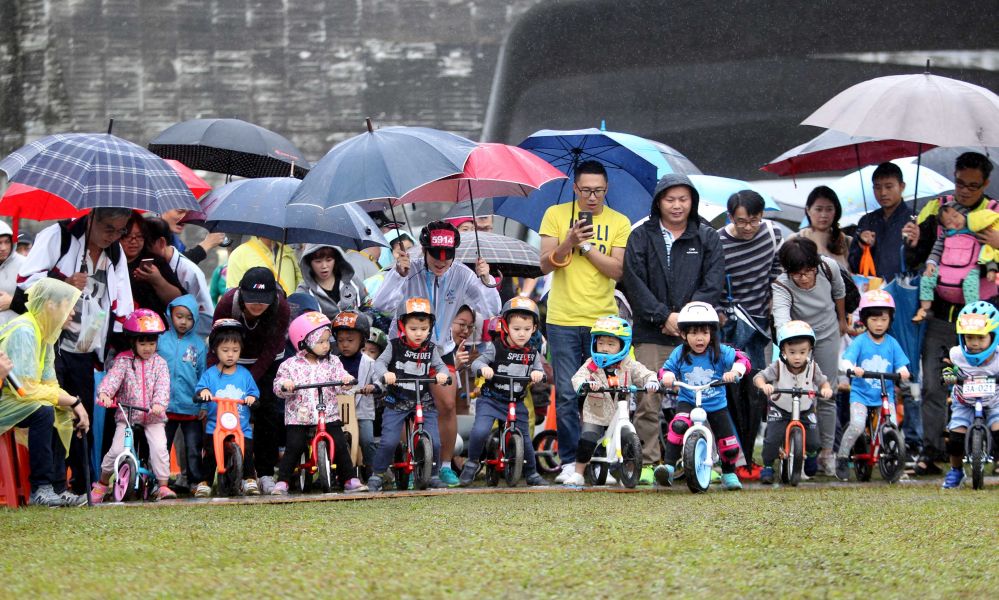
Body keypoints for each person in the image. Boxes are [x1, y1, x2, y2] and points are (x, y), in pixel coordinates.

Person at [15, 207, 135, 494]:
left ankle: (81, 484)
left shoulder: (115, 254)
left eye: (120, 231)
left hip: (86, 346)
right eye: (109, 228)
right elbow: (24, 282)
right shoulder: (58, 236)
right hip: (51, 342)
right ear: (92, 218)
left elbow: (123, 304)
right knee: (56, 411)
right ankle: (52, 485)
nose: (114, 236)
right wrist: (64, 284)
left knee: (82, 416)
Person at [372, 220, 500, 486]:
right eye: (435, 256)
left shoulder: (463, 274)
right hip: (405, 351)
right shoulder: (410, 269)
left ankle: (443, 464)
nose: (441, 263)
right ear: (424, 249)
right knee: (407, 407)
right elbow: (381, 305)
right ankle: (408, 464)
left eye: (448, 257)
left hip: (441, 350)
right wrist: (398, 274)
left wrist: (486, 280)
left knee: (448, 404)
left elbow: (490, 310)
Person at [623, 173, 723, 484]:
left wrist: (689, 320)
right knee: (648, 400)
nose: (677, 205)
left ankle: (707, 461)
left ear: (692, 201)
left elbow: (714, 282)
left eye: (683, 199)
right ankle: (651, 462)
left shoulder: (707, 237)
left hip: (698, 336)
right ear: (658, 202)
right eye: (670, 199)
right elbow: (633, 283)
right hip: (651, 332)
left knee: (706, 399)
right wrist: (663, 316)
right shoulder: (641, 236)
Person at [905, 152, 997, 475]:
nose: (965, 191)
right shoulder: (940, 208)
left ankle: (993, 451)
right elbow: (916, 258)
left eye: (973, 185)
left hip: (985, 318)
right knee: (933, 382)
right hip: (942, 315)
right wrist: (913, 242)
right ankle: (933, 452)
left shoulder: (994, 213)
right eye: (960, 182)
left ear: (985, 183)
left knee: (993, 383)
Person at [539, 160, 631, 484]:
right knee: (566, 391)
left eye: (599, 191)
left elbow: (617, 271)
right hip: (562, 318)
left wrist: (587, 246)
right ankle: (568, 462)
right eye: (587, 190)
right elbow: (545, 265)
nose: (593, 197)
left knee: (601, 392)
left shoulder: (619, 222)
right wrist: (568, 241)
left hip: (602, 321)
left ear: (607, 190)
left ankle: (597, 460)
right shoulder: (554, 214)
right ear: (575, 188)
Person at [0, 279, 89, 507]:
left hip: (17, 398)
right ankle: (41, 488)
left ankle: (58, 489)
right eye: (68, 306)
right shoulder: (25, 331)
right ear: (50, 305)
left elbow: (49, 384)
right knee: (43, 410)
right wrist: (72, 400)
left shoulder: (45, 334)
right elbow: (25, 390)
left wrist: (74, 404)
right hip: (7, 399)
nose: (72, 314)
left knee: (59, 410)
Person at [717, 190, 783, 479]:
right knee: (731, 392)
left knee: (755, 393)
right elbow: (713, 281)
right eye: (741, 221)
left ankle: (750, 458)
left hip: (758, 326)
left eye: (753, 220)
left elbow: (776, 273)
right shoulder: (717, 241)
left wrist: (771, 304)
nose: (748, 227)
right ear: (730, 216)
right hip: (728, 326)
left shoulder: (772, 234)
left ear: (762, 216)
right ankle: (734, 459)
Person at [654, 301, 749, 490]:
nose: (700, 339)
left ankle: (729, 473)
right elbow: (664, 370)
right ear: (683, 334)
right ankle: (669, 467)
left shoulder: (720, 351)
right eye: (694, 333)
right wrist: (667, 376)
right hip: (688, 400)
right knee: (679, 425)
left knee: (728, 443)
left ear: (711, 334)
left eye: (705, 333)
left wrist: (736, 371)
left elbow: (742, 359)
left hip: (716, 403)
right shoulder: (679, 353)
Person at [772, 236, 846, 475]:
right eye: (797, 274)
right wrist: (791, 346)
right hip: (797, 341)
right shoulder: (781, 285)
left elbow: (839, 293)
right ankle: (796, 451)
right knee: (798, 394)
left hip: (827, 334)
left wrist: (842, 321)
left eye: (808, 271)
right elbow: (781, 318)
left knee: (827, 393)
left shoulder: (828, 267)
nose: (804, 278)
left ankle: (826, 451)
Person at [212, 267, 290, 493]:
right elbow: (215, 342)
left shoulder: (281, 307)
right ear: (241, 293)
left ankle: (265, 472)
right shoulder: (228, 303)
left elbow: (270, 350)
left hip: (267, 362)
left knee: (268, 412)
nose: (257, 305)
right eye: (252, 299)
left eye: (263, 300)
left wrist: (247, 381)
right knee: (231, 412)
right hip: (232, 356)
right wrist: (214, 377)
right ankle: (232, 469)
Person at [560, 315, 659, 487]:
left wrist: (651, 381)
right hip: (596, 413)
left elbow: (644, 373)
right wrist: (586, 384)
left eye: (611, 344)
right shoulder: (593, 364)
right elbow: (578, 378)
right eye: (601, 343)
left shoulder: (628, 364)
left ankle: (622, 470)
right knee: (588, 439)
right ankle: (578, 472)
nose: (604, 348)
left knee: (624, 439)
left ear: (623, 345)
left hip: (619, 414)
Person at [272, 312, 365, 494]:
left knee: (339, 442)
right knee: (295, 445)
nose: (326, 345)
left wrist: (346, 379)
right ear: (303, 342)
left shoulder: (333, 362)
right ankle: (283, 481)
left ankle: (349, 478)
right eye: (320, 342)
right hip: (300, 416)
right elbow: (278, 385)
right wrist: (285, 385)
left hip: (328, 413)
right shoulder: (290, 365)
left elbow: (340, 377)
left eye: (327, 341)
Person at [459, 297, 547, 487]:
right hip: (491, 400)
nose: (521, 334)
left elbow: (539, 369)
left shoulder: (532, 352)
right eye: (516, 329)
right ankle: (472, 462)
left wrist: (538, 374)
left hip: (516, 401)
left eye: (526, 329)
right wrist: (483, 369)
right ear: (505, 327)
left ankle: (531, 472)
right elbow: (476, 363)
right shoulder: (496, 347)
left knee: (525, 437)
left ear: (534, 328)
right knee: (481, 430)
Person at [90, 309, 175, 502]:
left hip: (153, 416)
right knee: (117, 449)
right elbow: (112, 381)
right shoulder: (123, 361)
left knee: (160, 448)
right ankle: (102, 484)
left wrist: (159, 405)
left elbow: (163, 387)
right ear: (133, 342)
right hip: (127, 416)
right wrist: (104, 394)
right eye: (142, 343)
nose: (147, 348)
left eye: (152, 343)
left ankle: (163, 485)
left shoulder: (160, 364)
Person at [367, 298, 450, 492]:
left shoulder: (431, 349)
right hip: (397, 400)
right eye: (413, 329)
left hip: (424, 401)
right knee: (389, 441)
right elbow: (379, 364)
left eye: (423, 328)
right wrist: (385, 374)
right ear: (402, 326)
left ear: (430, 328)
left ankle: (434, 474)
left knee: (435, 441)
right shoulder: (394, 345)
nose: (419, 333)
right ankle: (378, 474)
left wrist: (443, 374)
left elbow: (441, 366)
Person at [836, 290, 911, 480]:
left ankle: (894, 458)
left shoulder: (892, 343)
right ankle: (842, 457)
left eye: (883, 319)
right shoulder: (860, 342)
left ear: (890, 320)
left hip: (884, 396)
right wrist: (852, 368)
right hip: (861, 395)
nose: (879, 324)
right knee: (857, 425)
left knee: (892, 424)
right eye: (874, 319)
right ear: (865, 319)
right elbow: (845, 361)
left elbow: (902, 364)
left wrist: (903, 371)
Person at [754, 321, 831, 485]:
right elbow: (759, 377)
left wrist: (826, 389)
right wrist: (764, 385)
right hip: (780, 408)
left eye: (802, 352)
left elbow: (823, 382)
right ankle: (767, 466)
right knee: (772, 440)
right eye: (792, 352)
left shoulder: (813, 368)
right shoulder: (778, 366)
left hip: (804, 409)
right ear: (783, 351)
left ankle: (810, 456)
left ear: (810, 350)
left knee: (814, 441)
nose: (797, 357)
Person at [194, 319, 259, 497]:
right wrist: (205, 391)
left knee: (247, 449)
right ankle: (205, 481)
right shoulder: (210, 374)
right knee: (210, 453)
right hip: (215, 425)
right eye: (225, 350)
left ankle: (249, 479)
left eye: (235, 350)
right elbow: (200, 388)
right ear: (215, 349)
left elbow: (254, 392)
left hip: (241, 426)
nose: (230, 355)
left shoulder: (245, 375)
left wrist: (252, 397)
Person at [940, 301, 999, 489]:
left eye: (981, 338)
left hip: (994, 401)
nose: (974, 343)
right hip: (963, 401)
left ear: (993, 336)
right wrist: (948, 375)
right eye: (969, 337)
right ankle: (957, 471)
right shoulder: (957, 354)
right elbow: (946, 365)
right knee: (955, 439)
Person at [913, 203, 999, 322]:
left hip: (969, 271)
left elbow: (987, 252)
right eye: (948, 222)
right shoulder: (945, 236)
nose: (954, 222)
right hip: (944, 270)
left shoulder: (978, 233)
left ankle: (971, 312)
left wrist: (991, 268)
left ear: (964, 214)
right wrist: (931, 264)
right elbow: (936, 251)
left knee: (971, 286)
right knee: (926, 279)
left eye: (956, 216)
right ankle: (925, 309)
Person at [157, 294, 207, 493]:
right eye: (179, 316)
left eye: (188, 317)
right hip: (163, 407)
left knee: (193, 448)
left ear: (194, 319)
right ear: (171, 315)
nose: (183, 321)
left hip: (191, 407)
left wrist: (203, 405)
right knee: (162, 447)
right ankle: (158, 481)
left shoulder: (199, 345)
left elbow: (203, 376)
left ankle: (195, 482)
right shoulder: (160, 341)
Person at [848, 162, 920, 282]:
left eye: (889, 186)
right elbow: (854, 265)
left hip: (903, 289)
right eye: (877, 187)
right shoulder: (866, 221)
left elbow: (925, 262)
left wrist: (915, 246)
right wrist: (862, 248)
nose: (883, 193)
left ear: (902, 186)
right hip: (872, 293)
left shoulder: (916, 219)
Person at [144, 217, 215, 335]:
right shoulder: (146, 266)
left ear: (161, 242)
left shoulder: (190, 272)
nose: (142, 250)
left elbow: (206, 320)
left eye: (146, 245)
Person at [331, 309, 379, 478]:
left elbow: (379, 381)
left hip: (362, 410)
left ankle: (373, 471)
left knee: (367, 440)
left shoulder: (370, 363)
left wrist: (373, 387)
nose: (345, 345)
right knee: (337, 440)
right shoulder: (332, 362)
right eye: (341, 340)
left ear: (362, 341)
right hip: (339, 411)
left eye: (350, 340)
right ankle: (336, 473)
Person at [118, 213, 184, 325]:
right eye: (127, 236)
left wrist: (157, 280)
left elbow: (179, 301)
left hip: (152, 329)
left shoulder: (155, 262)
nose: (134, 241)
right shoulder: (110, 262)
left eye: (139, 236)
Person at [295, 244, 366, 318]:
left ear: (336, 259)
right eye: (318, 261)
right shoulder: (304, 291)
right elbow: (300, 321)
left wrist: (364, 323)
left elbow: (369, 306)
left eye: (329, 260)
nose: (324, 266)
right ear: (309, 263)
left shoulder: (352, 280)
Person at [791, 186, 852, 270]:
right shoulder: (795, 240)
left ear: (836, 211)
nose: (824, 215)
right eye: (819, 209)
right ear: (808, 210)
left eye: (829, 209)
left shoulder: (847, 242)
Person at [225, 235, 301, 295]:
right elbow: (233, 295)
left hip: (292, 312)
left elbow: (301, 283)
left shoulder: (289, 251)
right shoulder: (239, 254)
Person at [159, 207, 227, 265]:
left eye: (188, 214)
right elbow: (176, 268)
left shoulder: (174, 240)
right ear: (161, 208)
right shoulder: (150, 238)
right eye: (180, 211)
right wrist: (206, 244)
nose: (185, 218)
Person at [0, 220, 26, 326]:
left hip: (16, 332)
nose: (3, 248)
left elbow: (39, 302)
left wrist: (13, 302)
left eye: (7, 242)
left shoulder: (25, 264)